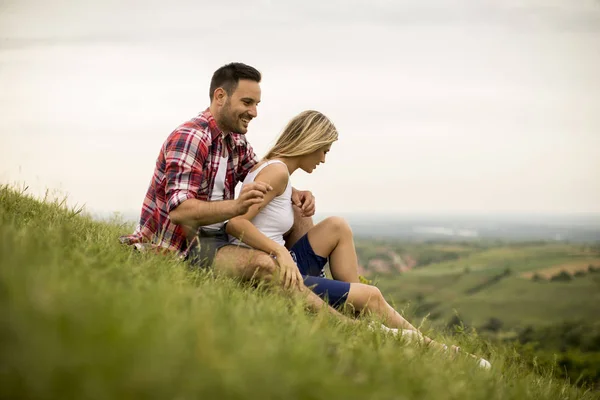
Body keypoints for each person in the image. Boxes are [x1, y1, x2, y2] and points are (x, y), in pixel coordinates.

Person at [226, 110, 491, 368]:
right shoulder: (277, 172)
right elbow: (235, 222)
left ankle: (355, 305)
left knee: (337, 226)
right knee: (373, 295)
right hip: (276, 273)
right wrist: (278, 251)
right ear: (311, 142)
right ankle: (443, 352)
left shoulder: (275, 168)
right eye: (324, 150)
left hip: (285, 263)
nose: (323, 159)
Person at [120, 63, 353, 319]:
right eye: (247, 102)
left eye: (257, 104)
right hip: (185, 246)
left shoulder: (235, 140)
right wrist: (237, 209)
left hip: (217, 239)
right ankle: (341, 322)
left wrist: (294, 192)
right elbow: (180, 211)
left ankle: (313, 288)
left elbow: (261, 174)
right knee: (265, 264)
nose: (253, 112)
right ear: (220, 96)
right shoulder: (191, 137)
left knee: (297, 212)